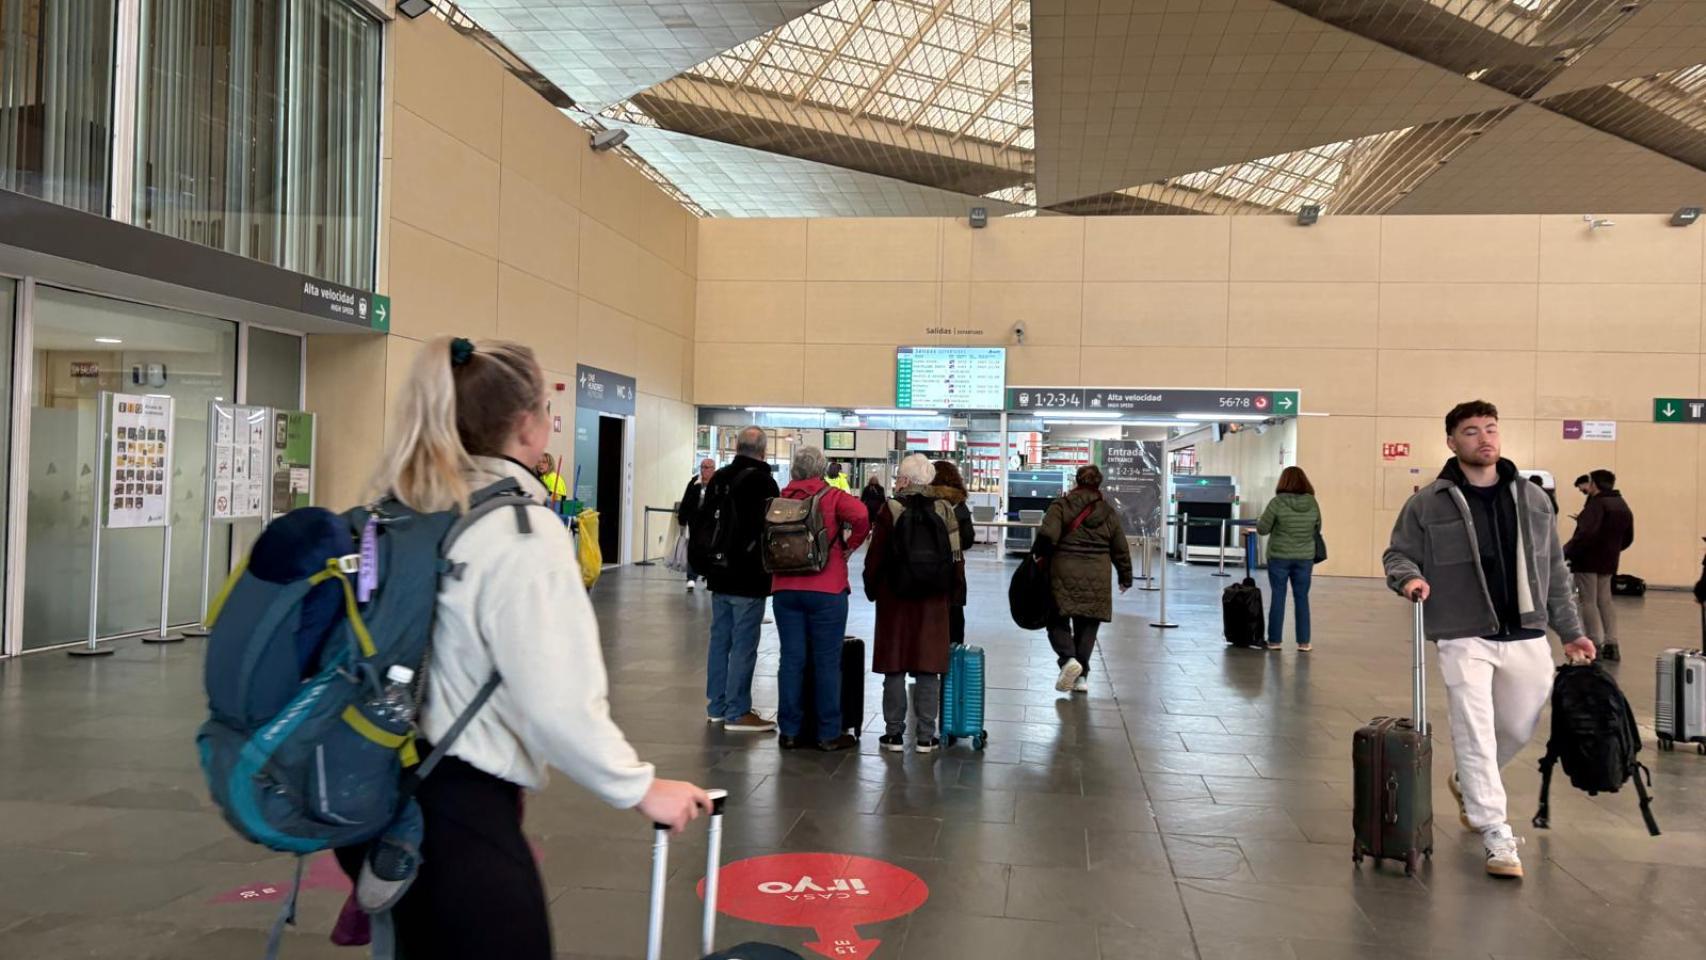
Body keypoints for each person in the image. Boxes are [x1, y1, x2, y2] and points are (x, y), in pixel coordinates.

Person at [341, 336, 710, 958]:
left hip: (384, 783)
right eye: (546, 407)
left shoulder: (407, 505)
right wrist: (641, 788)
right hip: (459, 811)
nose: (551, 420)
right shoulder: (518, 531)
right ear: (525, 424)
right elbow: (559, 700)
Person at [1384, 400, 1591, 880]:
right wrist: (1409, 579)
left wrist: (1573, 632)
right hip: (1462, 633)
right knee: (1472, 727)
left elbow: (1555, 571)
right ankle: (1494, 830)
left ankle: (1469, 781)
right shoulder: (1427, 502)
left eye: (1491, 429)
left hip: (1526, 631)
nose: (1484, 438)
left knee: (1517, 727)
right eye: (1472, 431)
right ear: (1452, 442)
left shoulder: (1533, 499)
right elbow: (1398, 554)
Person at [772, 447, 870, 751]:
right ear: (821, 469)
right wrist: (849, 546)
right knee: (827, 662)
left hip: (785, 587)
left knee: (791, 660)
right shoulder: (832, 497)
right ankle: (828, 733)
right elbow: (863, 516)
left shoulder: (780, 499)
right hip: (826, 588)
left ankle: (789, 731)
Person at [864, 453, 958, 752]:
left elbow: (875, 556)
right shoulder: (944, 509)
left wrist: (872, 588)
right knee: (929, 666)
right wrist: (955, 595)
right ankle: (926, 736)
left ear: (905, 480)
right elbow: (956, 557)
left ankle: (893, 734)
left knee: (895, 664)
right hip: (933, 599)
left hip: (895, 598)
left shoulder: (890, 509)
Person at [703, 427, 780, 732]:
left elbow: (705, 520)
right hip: (748, 575)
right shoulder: (764, 481)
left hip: (718, 571)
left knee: (719, 640)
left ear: (736, 447)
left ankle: (717, 706)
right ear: (763, 451)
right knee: (744, 644)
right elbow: (769, 529)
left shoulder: (719, 478)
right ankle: (738, 710)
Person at [1034, 465, 1132, 695]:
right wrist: (1125, 576)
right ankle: (1081, 679)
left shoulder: (1061, 505)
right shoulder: (1108, 511)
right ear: (1099, 483)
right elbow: (1120, 547)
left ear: (1076, 481)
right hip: (1097, 573)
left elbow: (1047, 536)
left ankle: (1068, 660)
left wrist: (1037, 559)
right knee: (1088, 625)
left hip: (1062, 571)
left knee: (1056, 618)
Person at [1563, 468, 1634, 662]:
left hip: (1587, 559)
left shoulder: (1597, 504)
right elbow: (1628, 537)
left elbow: (1585, 533)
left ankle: (1594, 643)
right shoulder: (1621, 504)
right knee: (1605, 600)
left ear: (1594, 484)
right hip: (1609, 559)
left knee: (1588, 601)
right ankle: (1612, 643)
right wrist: (1613, 549)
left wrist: (1566, 551)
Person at [1257, 466, 1321, 652]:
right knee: (1302, 597)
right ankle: (1304, 642)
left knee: (1278, 596)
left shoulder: (1277, 502)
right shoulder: (1312, 503)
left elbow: (1263, 529)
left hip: (1279, 556)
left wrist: (1260, 519)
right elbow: (1318, 526)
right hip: (1304, 558)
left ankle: (1275, 641)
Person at [930, 460, 976, 645]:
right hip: (953, 571)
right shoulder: (959, 503)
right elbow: (968, 538)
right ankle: (951, 666)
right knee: (954, 623)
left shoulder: (926, 502)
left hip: (926, 571)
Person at [676, 457, 715, 591]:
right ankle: (691, 577)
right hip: (695, 522)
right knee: (693, 549)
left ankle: (707, 575)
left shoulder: (717, 483)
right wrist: (682, 519)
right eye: (702, 467)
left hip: (711, 523)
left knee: (709, 550)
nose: (703, 470)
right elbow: (686, 501)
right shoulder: (694, 482)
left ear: (713, 469)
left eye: (706, 467)